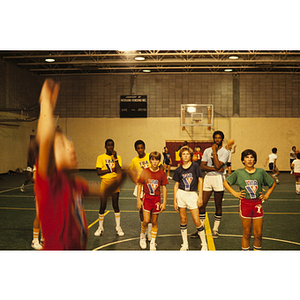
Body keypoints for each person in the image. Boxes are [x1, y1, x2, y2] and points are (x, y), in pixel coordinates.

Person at [34, 79, 126, 250]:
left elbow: (104, 191)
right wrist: (46, 104)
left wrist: (125, 174)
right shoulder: (49, 182)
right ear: (50, 157)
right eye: (63, 145)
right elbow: (45, 139)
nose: (71, 147)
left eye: (70, 143)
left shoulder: (75, 183)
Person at [223, 149, 276, 250]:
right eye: (247, 157)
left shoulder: (260, 172)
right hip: (245, 203)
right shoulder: (239, 172)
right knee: (246, 233)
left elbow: (272, 183)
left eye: (252, 157)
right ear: (243, 160)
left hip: (257, 204)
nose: (249, 159)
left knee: (258, 234)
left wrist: (266, 195)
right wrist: (234, 193)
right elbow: (225, 183)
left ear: (255, 160)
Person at [191, 130, 229, 239]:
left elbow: (218, 164)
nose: (217, 139)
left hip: (218, 178)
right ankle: (200, 229)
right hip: (208, 178)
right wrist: (215, 169)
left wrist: (215, 152)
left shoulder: (225, 152)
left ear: (222, 139)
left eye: (219, 138)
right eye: (215, 138)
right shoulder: (207, 151)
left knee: (218, 205)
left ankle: (215, 229)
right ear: (213, 139)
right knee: (202, 204)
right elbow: (202, 166)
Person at [173, 146, 207, 251]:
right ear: (181, 156)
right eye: (184, 154)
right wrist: (175, 200)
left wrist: (200, 196)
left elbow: (200, 181)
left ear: (191, 156)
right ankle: (185, 244)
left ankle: (204, 245)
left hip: (192, 195)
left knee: (197, 221)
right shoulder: (178, 170)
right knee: (183, 220)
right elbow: (176, 185)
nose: (186, 156)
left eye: (187, 154)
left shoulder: (195, 166)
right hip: (181, 194)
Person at [137, 151, 168, 250]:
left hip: (157, 199)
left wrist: (164, 202)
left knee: (154, 221)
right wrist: (138, 199)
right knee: (146, 220)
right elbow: (139, 185)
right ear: (150, 160)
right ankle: (142, 236)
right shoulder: (145, 171)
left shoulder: (162, 173)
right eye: (153, 160)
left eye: (157, 160)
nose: (154, 162)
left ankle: (153, 242)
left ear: (159, 161)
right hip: (147, 198)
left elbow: (164, 187)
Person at [94, 139, 124, 237]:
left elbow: (119, 171)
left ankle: (118, 227)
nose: (110, 147)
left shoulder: (117, 157)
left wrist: (115, 159)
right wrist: (111, 169)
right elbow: (99, 172)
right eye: (108, 145)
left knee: (116, 205)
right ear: (105, 146)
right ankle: (100, 227)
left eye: (112, 145)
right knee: (103, 206)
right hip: (105, 183)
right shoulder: (100, 157)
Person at [128, 140, 153, 240]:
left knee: (150, 209)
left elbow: (158, 167)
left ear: (144, 148)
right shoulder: (134, 160)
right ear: (135, 149)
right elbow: (130, 171)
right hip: (141, 186)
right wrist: (135, 181)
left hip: (150, 186)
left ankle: (150, 232)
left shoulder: (149, 157)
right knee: (142, 209)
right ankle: (143, 229)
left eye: (142, 148)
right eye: (138, 148)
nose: (140, 150)